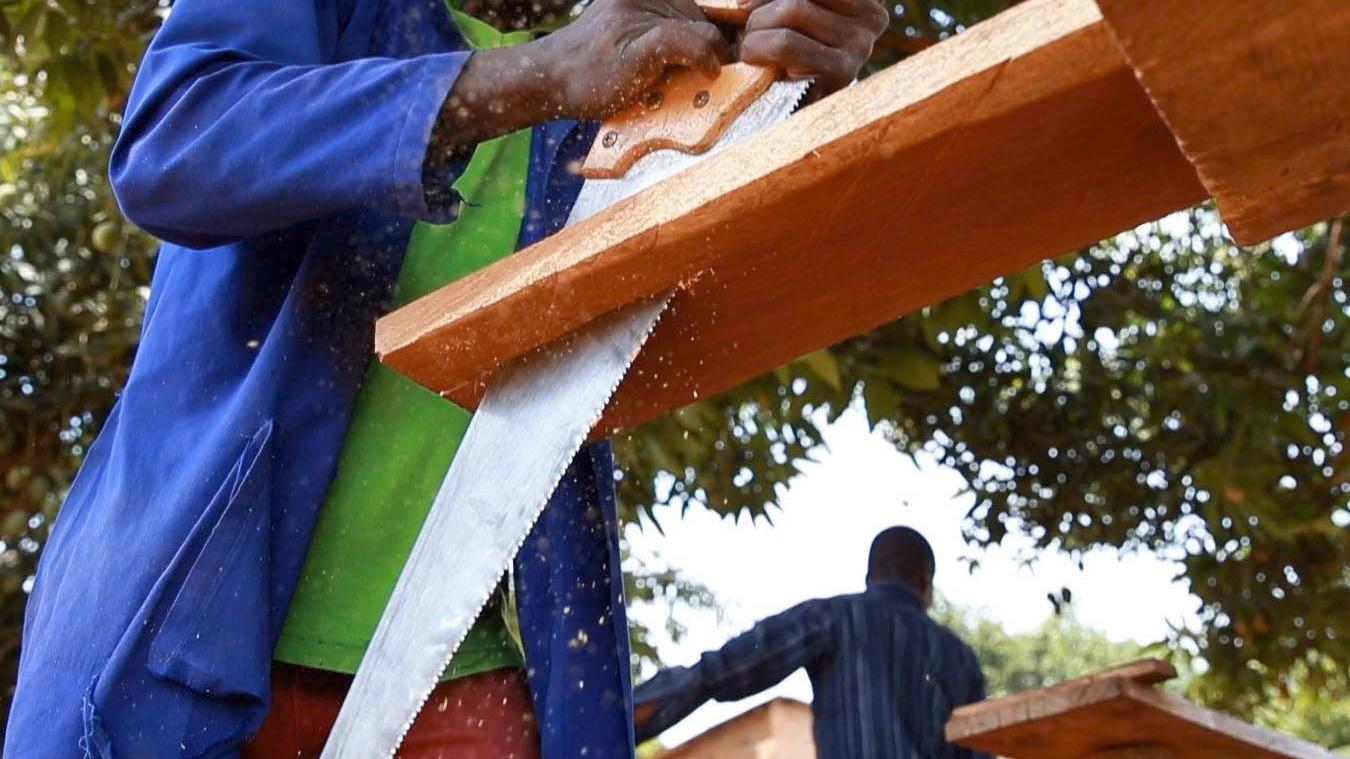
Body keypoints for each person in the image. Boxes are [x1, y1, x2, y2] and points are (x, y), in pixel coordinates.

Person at [3, 0, 889, 755]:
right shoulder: (477, 45)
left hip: (460, 672)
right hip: (179, 649)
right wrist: (538, 76)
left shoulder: (629, 76)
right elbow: (172, 138)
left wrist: (788, 84)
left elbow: (695, 306)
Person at [634, 526, 990, 758]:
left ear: (870, 576)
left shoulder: (835, 617)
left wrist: (627, 718)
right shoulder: (961, 659)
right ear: (925, 583)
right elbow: (979, 750)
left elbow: (725, 670)